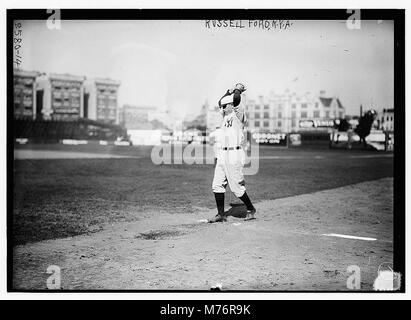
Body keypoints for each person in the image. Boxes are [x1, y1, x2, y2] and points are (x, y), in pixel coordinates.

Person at [208, 83, 256, 223]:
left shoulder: (238, 114)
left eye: (226, 105)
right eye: (224, 105)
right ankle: (221, 214)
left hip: (234, 153)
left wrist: (237, 89)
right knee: (217, 185)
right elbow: (220, 102)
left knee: (236, 188)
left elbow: (235, 99)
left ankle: (250, 209)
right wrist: (227, 91)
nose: (224, 107)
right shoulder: (224, 117)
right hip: (222, 154)